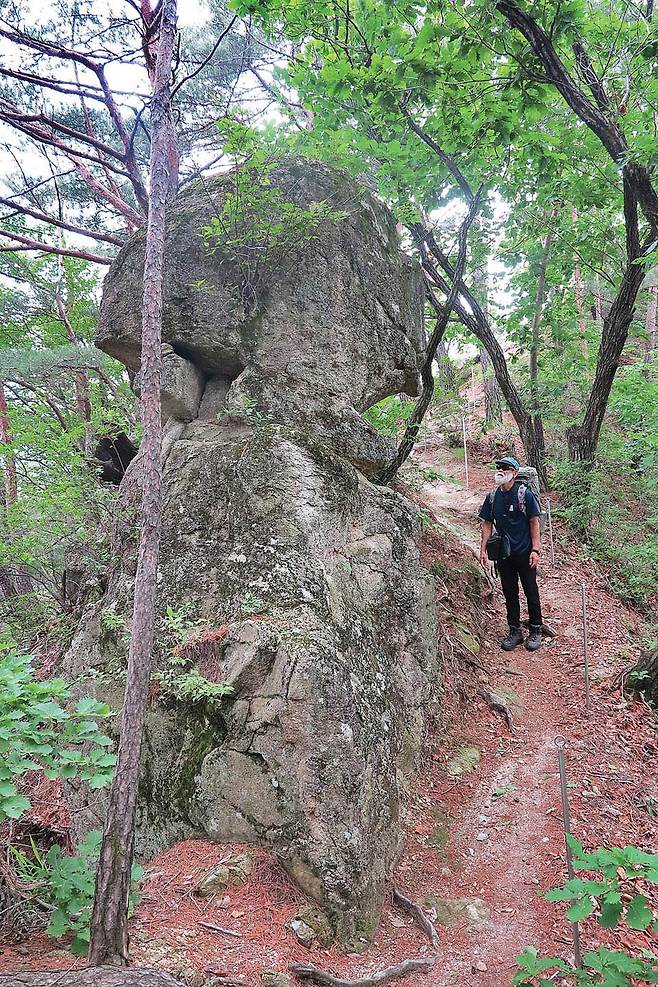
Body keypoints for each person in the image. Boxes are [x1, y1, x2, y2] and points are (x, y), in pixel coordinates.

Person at [478, 455, 543, 652]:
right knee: (509, 592)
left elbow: (534, 522)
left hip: (525, 552)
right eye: (499, 467)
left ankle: (536, 629)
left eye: (505, 468)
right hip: (503, 555)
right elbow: (487, 524)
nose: (500, 471)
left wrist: (535, 549)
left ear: (514, 473)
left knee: (530, 590)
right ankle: (515, 631)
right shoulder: (492, 497)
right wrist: (482, 550)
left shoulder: (524, 495)